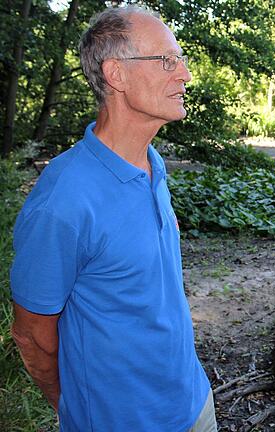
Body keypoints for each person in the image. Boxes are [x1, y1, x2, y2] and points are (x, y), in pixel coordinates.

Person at [10, 6, 216, 431]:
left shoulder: (153, 164)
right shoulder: (65, 198)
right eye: (166, 60)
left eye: (181, 60)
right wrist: (73, 408)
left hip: (194, 403)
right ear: (116, 75)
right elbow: (31, 335)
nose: (184, 75)